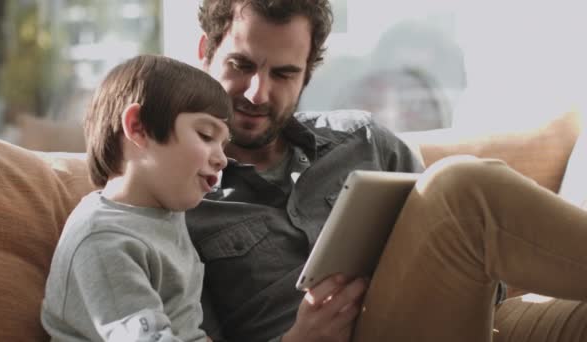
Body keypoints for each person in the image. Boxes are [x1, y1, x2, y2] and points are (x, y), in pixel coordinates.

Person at [187, 1, 587, 342]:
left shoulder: (361, 140)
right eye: (241, 65)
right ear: (206, 51)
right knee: (459, 189)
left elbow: (481, 268)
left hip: (469, 322)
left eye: (283, 74)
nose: (259, 93)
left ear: (307, 72)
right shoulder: (179, 200)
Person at [41, 55, 231, 341]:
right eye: (206, 135)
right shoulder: (103, 239)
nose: (222, 159)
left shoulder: (162, 213)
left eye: (223, 143)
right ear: (138, 127)